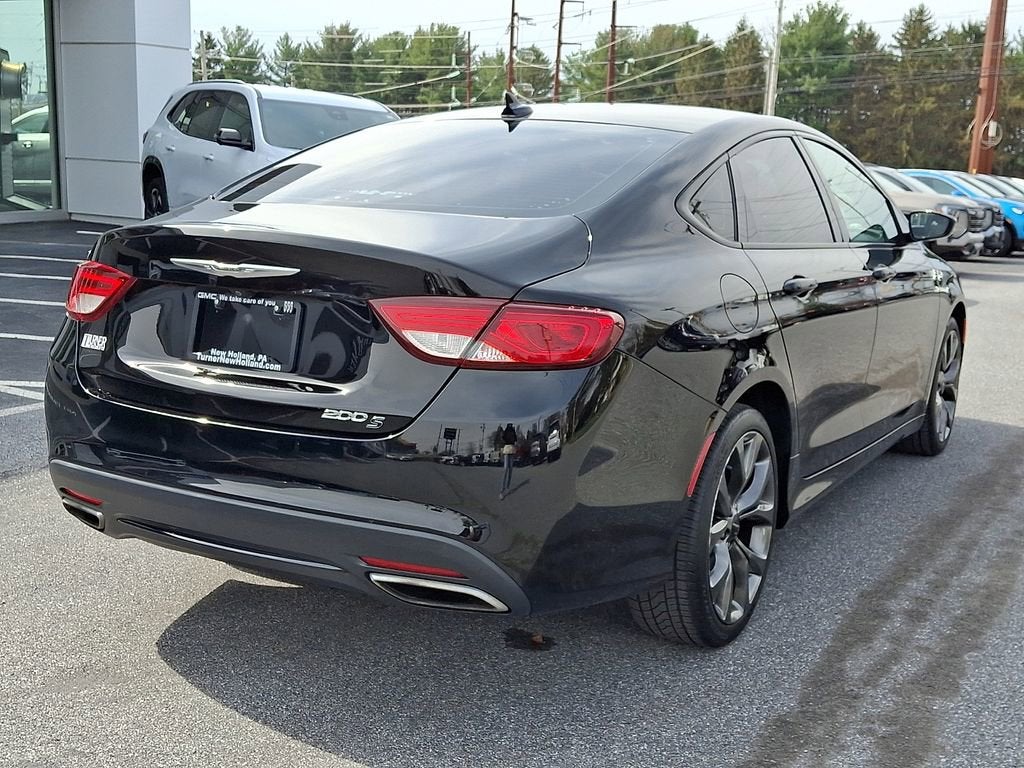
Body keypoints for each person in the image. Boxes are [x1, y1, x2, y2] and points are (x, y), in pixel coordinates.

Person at [500, 423, 517, 499]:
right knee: (506, 469)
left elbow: (515, 439)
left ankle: (507, 487)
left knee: (510, 469)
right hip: (508, 448)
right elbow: (504, 438)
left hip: (510, 448)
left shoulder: (511, 431)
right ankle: (502, 490)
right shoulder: (508, 431)